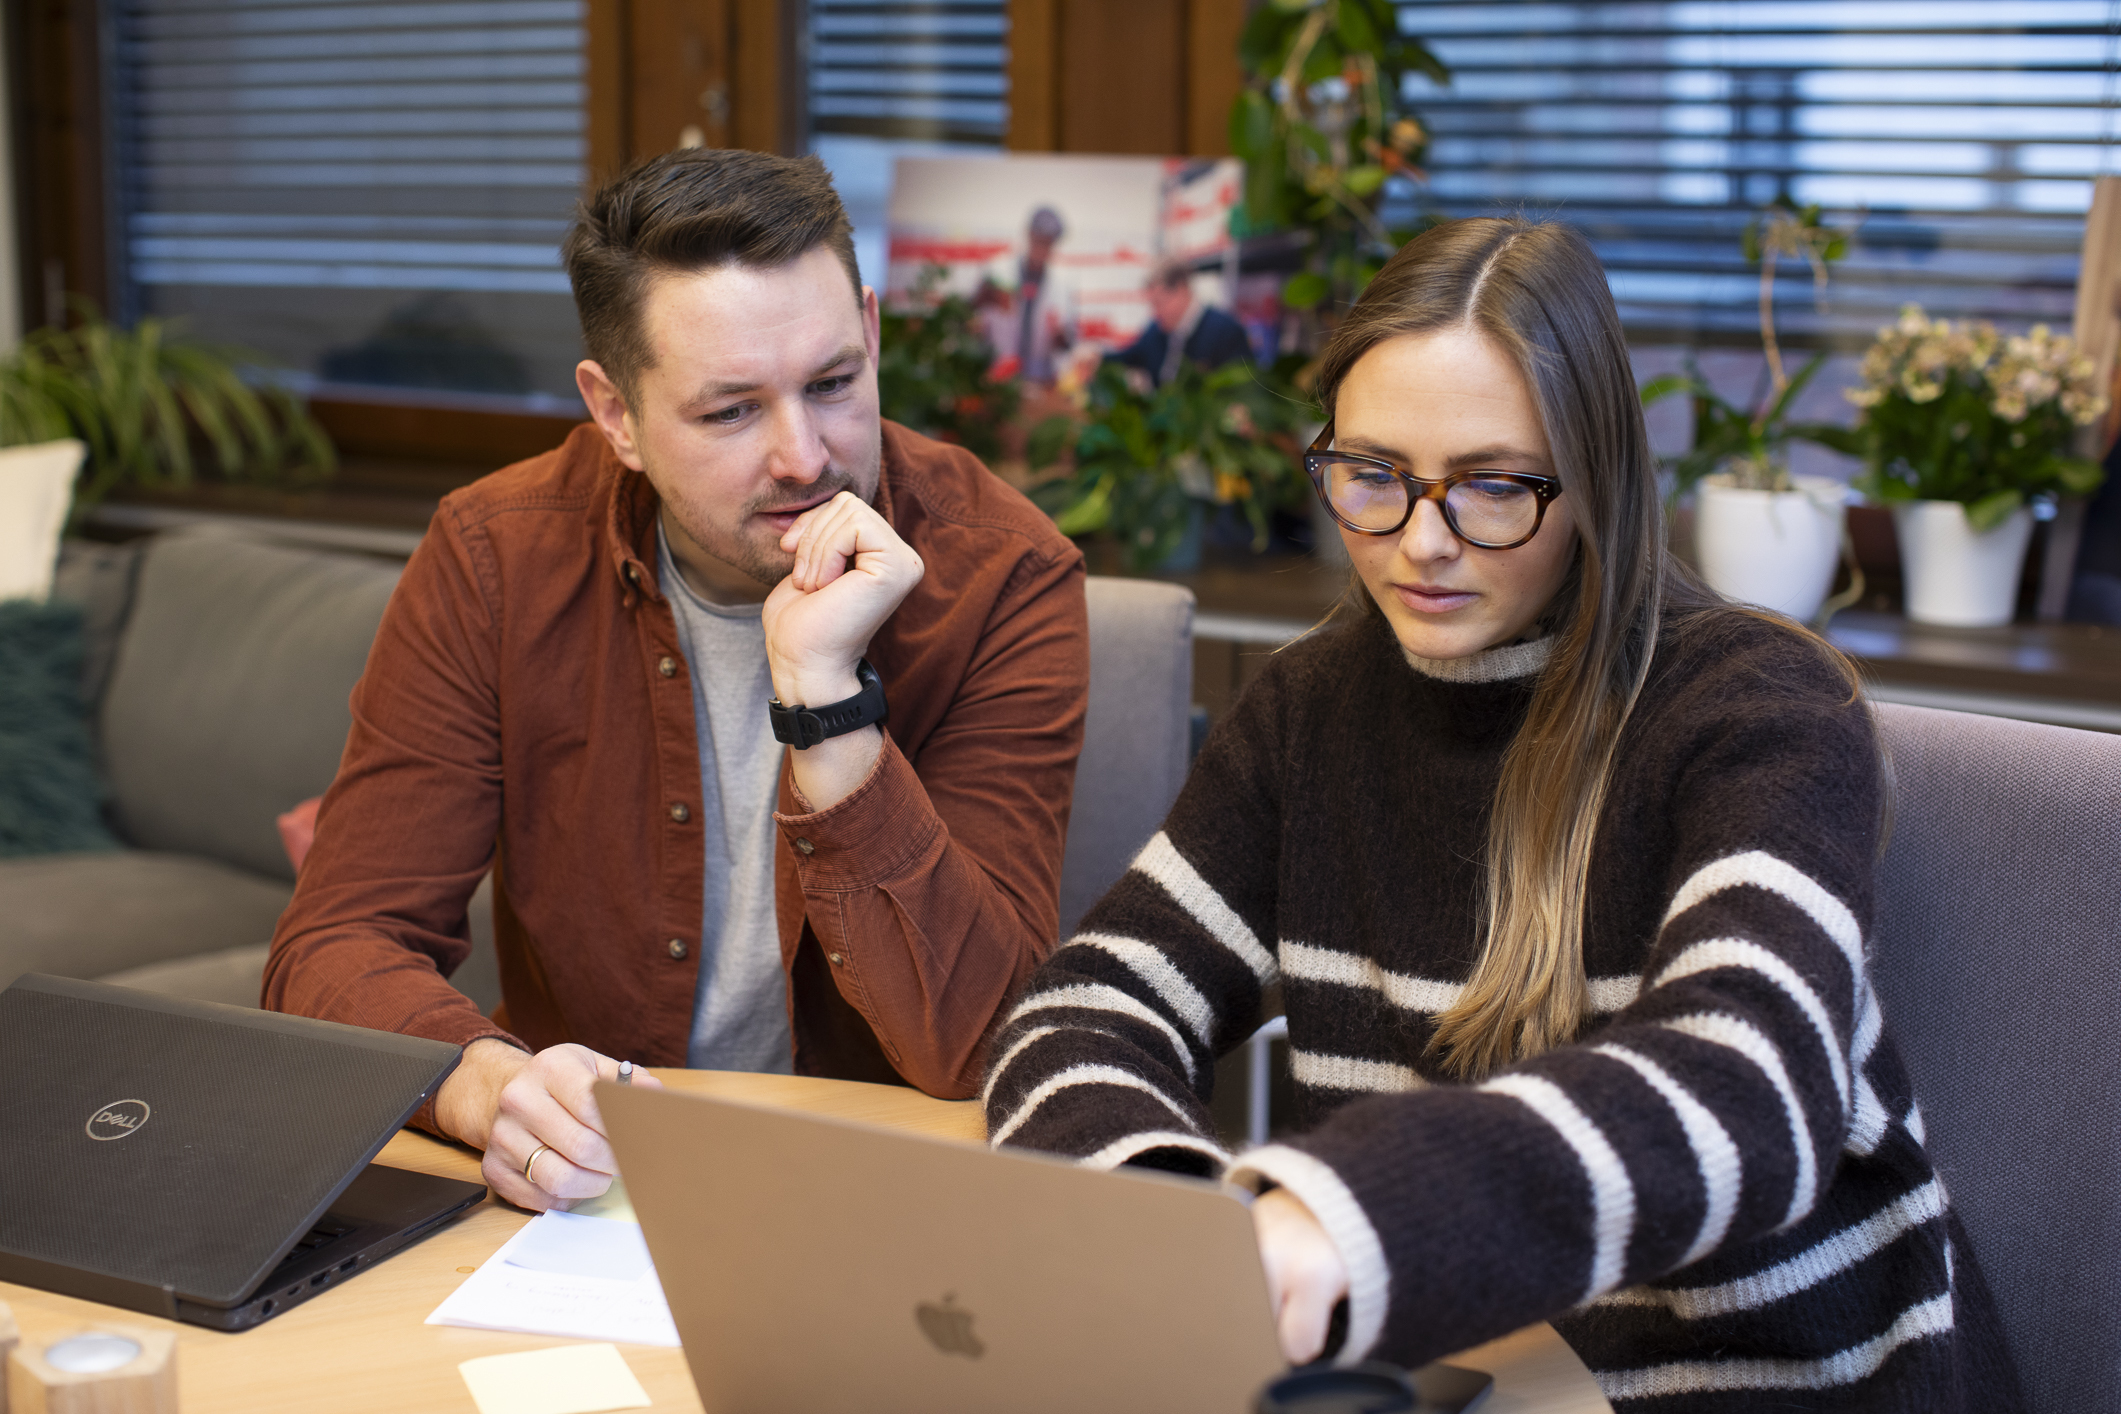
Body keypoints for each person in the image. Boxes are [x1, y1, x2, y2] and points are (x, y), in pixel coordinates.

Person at [982, 217, 2021, 1410]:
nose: (1422, 543)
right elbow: (1084, 1007)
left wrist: (1349, 1219)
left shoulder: (1760, 706)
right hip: (1480, 1383)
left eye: (1490, 484)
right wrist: (1182, 1229)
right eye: (1373, 476)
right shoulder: (1309, 713)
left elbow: (1751, 1087)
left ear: (1594, 478)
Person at [266, 149, 1089, 1213]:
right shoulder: (496, 556)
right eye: (731, 411)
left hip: (878, 1189)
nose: (805, 456)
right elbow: (336, 944)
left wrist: (828, 700)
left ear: (872, 334)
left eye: (833, 383)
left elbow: (978, 1043)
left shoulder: (1004, 574)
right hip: (599, 1195)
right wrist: (491, 1088)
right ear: (616, 414)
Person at [1110, 258, 1253, 387]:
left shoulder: (1225, 331)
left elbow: (1245, 385)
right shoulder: (1156, 331)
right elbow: (1130, 356)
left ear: (1182, 290)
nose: (1156, 312)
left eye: (1159, 303)